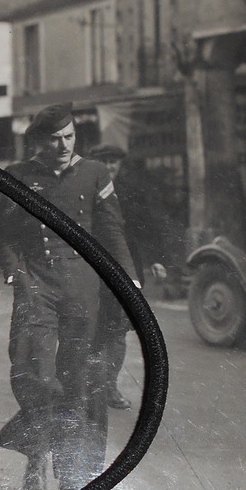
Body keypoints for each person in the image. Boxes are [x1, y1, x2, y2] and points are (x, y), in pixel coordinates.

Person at [0, 105, 137, 490]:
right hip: (37, 284)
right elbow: (5, 234)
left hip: (84, 288)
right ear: (40, 140)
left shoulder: (95, 173)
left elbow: (112, 230)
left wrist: (129, 277)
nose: (62, 145)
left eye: (69, 137)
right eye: (54, 139)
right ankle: (36, 456)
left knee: (81, 384)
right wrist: (15, 275)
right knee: (35, 374)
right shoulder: (18, 176)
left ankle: (74, 476)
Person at [84, 145, 169, 411]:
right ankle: (86, 387)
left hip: (126, 268)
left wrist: (156, 258)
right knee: (90, 329)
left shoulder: (132, 190)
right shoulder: (84, 187)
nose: (110, 167)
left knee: (118, 330)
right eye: (104, 162)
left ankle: (109, 387)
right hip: (90, 269)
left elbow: (149, 225)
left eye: (114, 163)